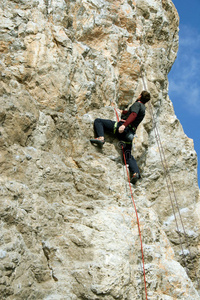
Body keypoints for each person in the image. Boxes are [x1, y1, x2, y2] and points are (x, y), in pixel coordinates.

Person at [90, 91, 151, 184]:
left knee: (98, 121)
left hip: (123, 129)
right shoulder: (143, 109)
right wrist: (122, 112)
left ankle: (101, 138)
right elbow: (132, 113)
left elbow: (133, 115)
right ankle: (135, 173)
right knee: (128, 155)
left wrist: (124, 125)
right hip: (129, 135)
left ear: (140, 96)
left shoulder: (137, 104)